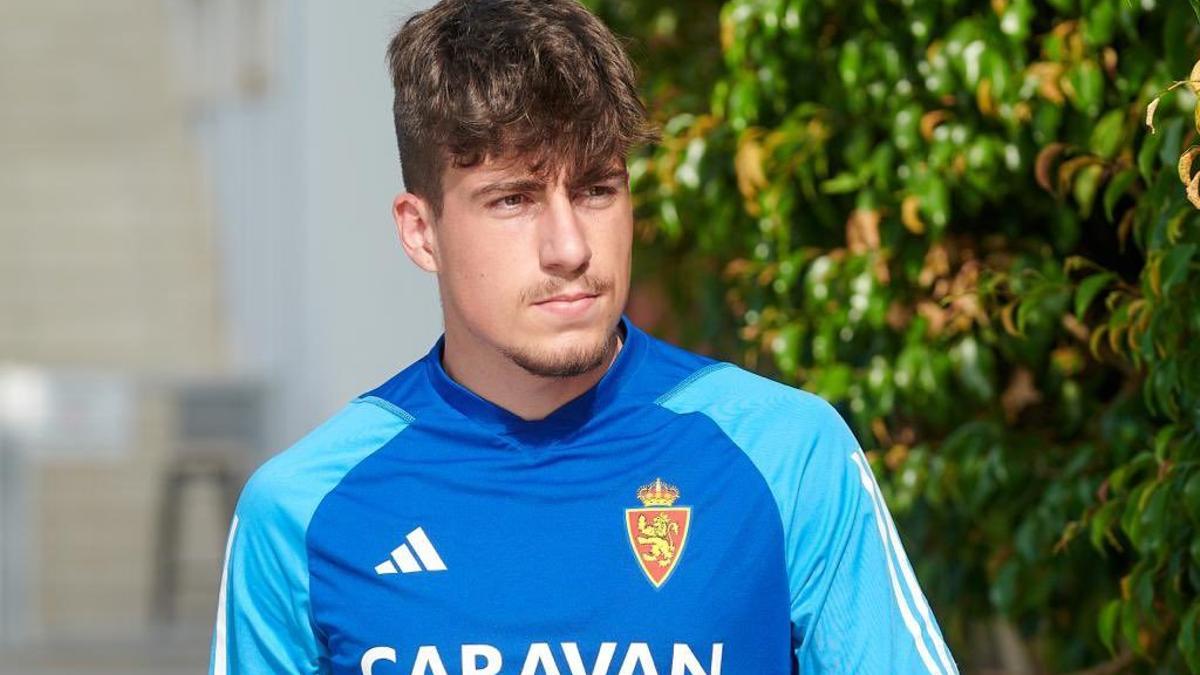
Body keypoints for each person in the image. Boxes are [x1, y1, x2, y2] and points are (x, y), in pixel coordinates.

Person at [208, 0, 959, 673]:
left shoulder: (787, 456)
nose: (569, 246)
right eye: (513, 199)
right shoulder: (303, 513)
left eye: (598, 188)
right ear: (421, 230)